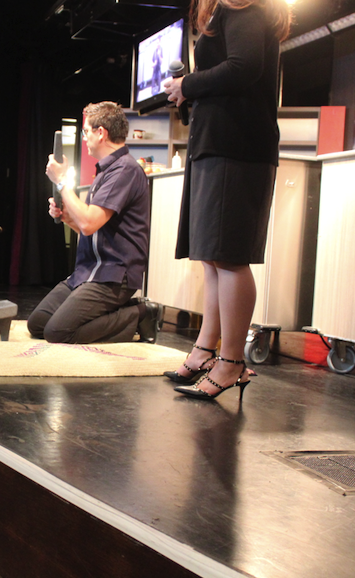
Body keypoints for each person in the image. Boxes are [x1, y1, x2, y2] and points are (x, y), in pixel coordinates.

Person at [163, 0, 290, 400]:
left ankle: (232, 360)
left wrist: (189, 85)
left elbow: (244, 66)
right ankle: (206, 349)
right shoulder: (228, 11)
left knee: (229, 256)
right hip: (217, 144)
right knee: (213, 257)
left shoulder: (246, 8)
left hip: (237, 147)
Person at [26, 102, 162, 345]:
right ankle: (121, 311)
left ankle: (140, 313)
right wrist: (68, 217)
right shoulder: (105, 172)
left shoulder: (125, 170)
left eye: (86, 131)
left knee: (58, 332)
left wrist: (61, 182)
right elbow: (89, 227)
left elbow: (89, 224)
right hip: (89, 271)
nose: (85, 137)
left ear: (101, 132)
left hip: (113, 274)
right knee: (38, 323)